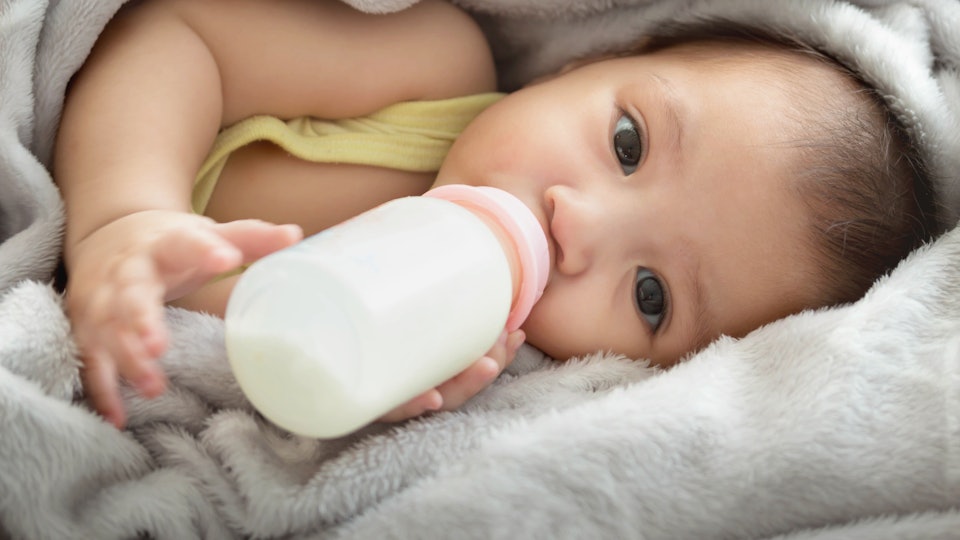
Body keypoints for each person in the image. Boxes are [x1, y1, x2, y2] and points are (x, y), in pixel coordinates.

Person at [54, 0, 934, 429]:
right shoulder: (433, 69)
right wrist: (123, 218)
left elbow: (246, 348)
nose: (579, 228)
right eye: (627, 144)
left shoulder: (476, 359)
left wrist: (338, 388)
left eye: (652, 296)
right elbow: (181, 31)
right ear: (585, 66)